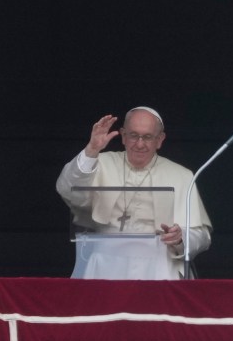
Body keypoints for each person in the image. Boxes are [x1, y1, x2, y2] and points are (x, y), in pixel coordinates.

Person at [56, 106, 212, 279]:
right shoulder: (99, 163)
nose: (139, 144)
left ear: (160, 140)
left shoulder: (181, 175)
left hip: (160, 267)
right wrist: (91, 150)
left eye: (147, 137)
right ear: (123, 136)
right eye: (133, 135)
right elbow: (67, 190)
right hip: (106, 264)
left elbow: (202, 236)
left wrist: (180, 237)